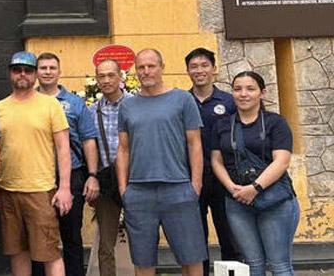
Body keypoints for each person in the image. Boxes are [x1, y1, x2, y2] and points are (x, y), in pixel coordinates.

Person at [116, 49, 207, 276]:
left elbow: (195, 143)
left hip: (178, 188)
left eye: (151, 66)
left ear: (162, 67)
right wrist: (124, 190)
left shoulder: (183, 99)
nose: (146, 71)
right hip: (139, 192)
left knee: (191, 258)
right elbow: (124, 149)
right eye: (141, 67)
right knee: (143, 261)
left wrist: (195, 185)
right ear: (135, 71)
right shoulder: (127, 106)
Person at [210, 71, 299, 276]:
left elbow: (282, 161)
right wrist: (232, 188)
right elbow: (216, 160)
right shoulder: (222, 125)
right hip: (237, 202)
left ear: (262, 93)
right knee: (252, 265)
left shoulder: (276, 122)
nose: (243, 94)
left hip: (274, 201)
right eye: (237, 89)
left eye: (250, 89)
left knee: (279, 265)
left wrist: (255, 188)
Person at [0, 52, 72, 276]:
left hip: (41, 191)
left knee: (50, 253)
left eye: (28, 70)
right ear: (10, 73)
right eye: (17, 70)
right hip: (7, 190)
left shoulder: (50, 105)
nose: (22, 74)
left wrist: (64, 187)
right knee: (17, 252)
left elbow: (63, 148)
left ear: (35, 74)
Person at [35, 53, 100, 276]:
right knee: (39, 236)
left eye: (52, 68)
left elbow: (88, 140)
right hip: (38, 177)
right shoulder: (28, 101)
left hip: (71, 175)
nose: (47, 72)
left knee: (71, 234)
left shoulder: (74, 103)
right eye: (43, 68)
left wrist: (92, 175)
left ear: (59, 72)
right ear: (36, 72)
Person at [185, 48, 240, 274]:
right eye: (194, 67)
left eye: (204, 65)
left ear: (214, 69)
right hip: (191, 178)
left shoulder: (229, 101)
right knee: (196, 238)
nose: (199, 71)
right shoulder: (181, 101)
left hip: (224, 178)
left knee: (230, 235)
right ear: (188, 71)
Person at [86, 59, 129, 276]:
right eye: (101, 76)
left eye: (111, 75)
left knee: (143, 239)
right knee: (105, 243)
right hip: (106, 182)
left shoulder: (135, 105)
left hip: (135, 179)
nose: (106, 80)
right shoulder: (91, 111)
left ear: (120, 77)